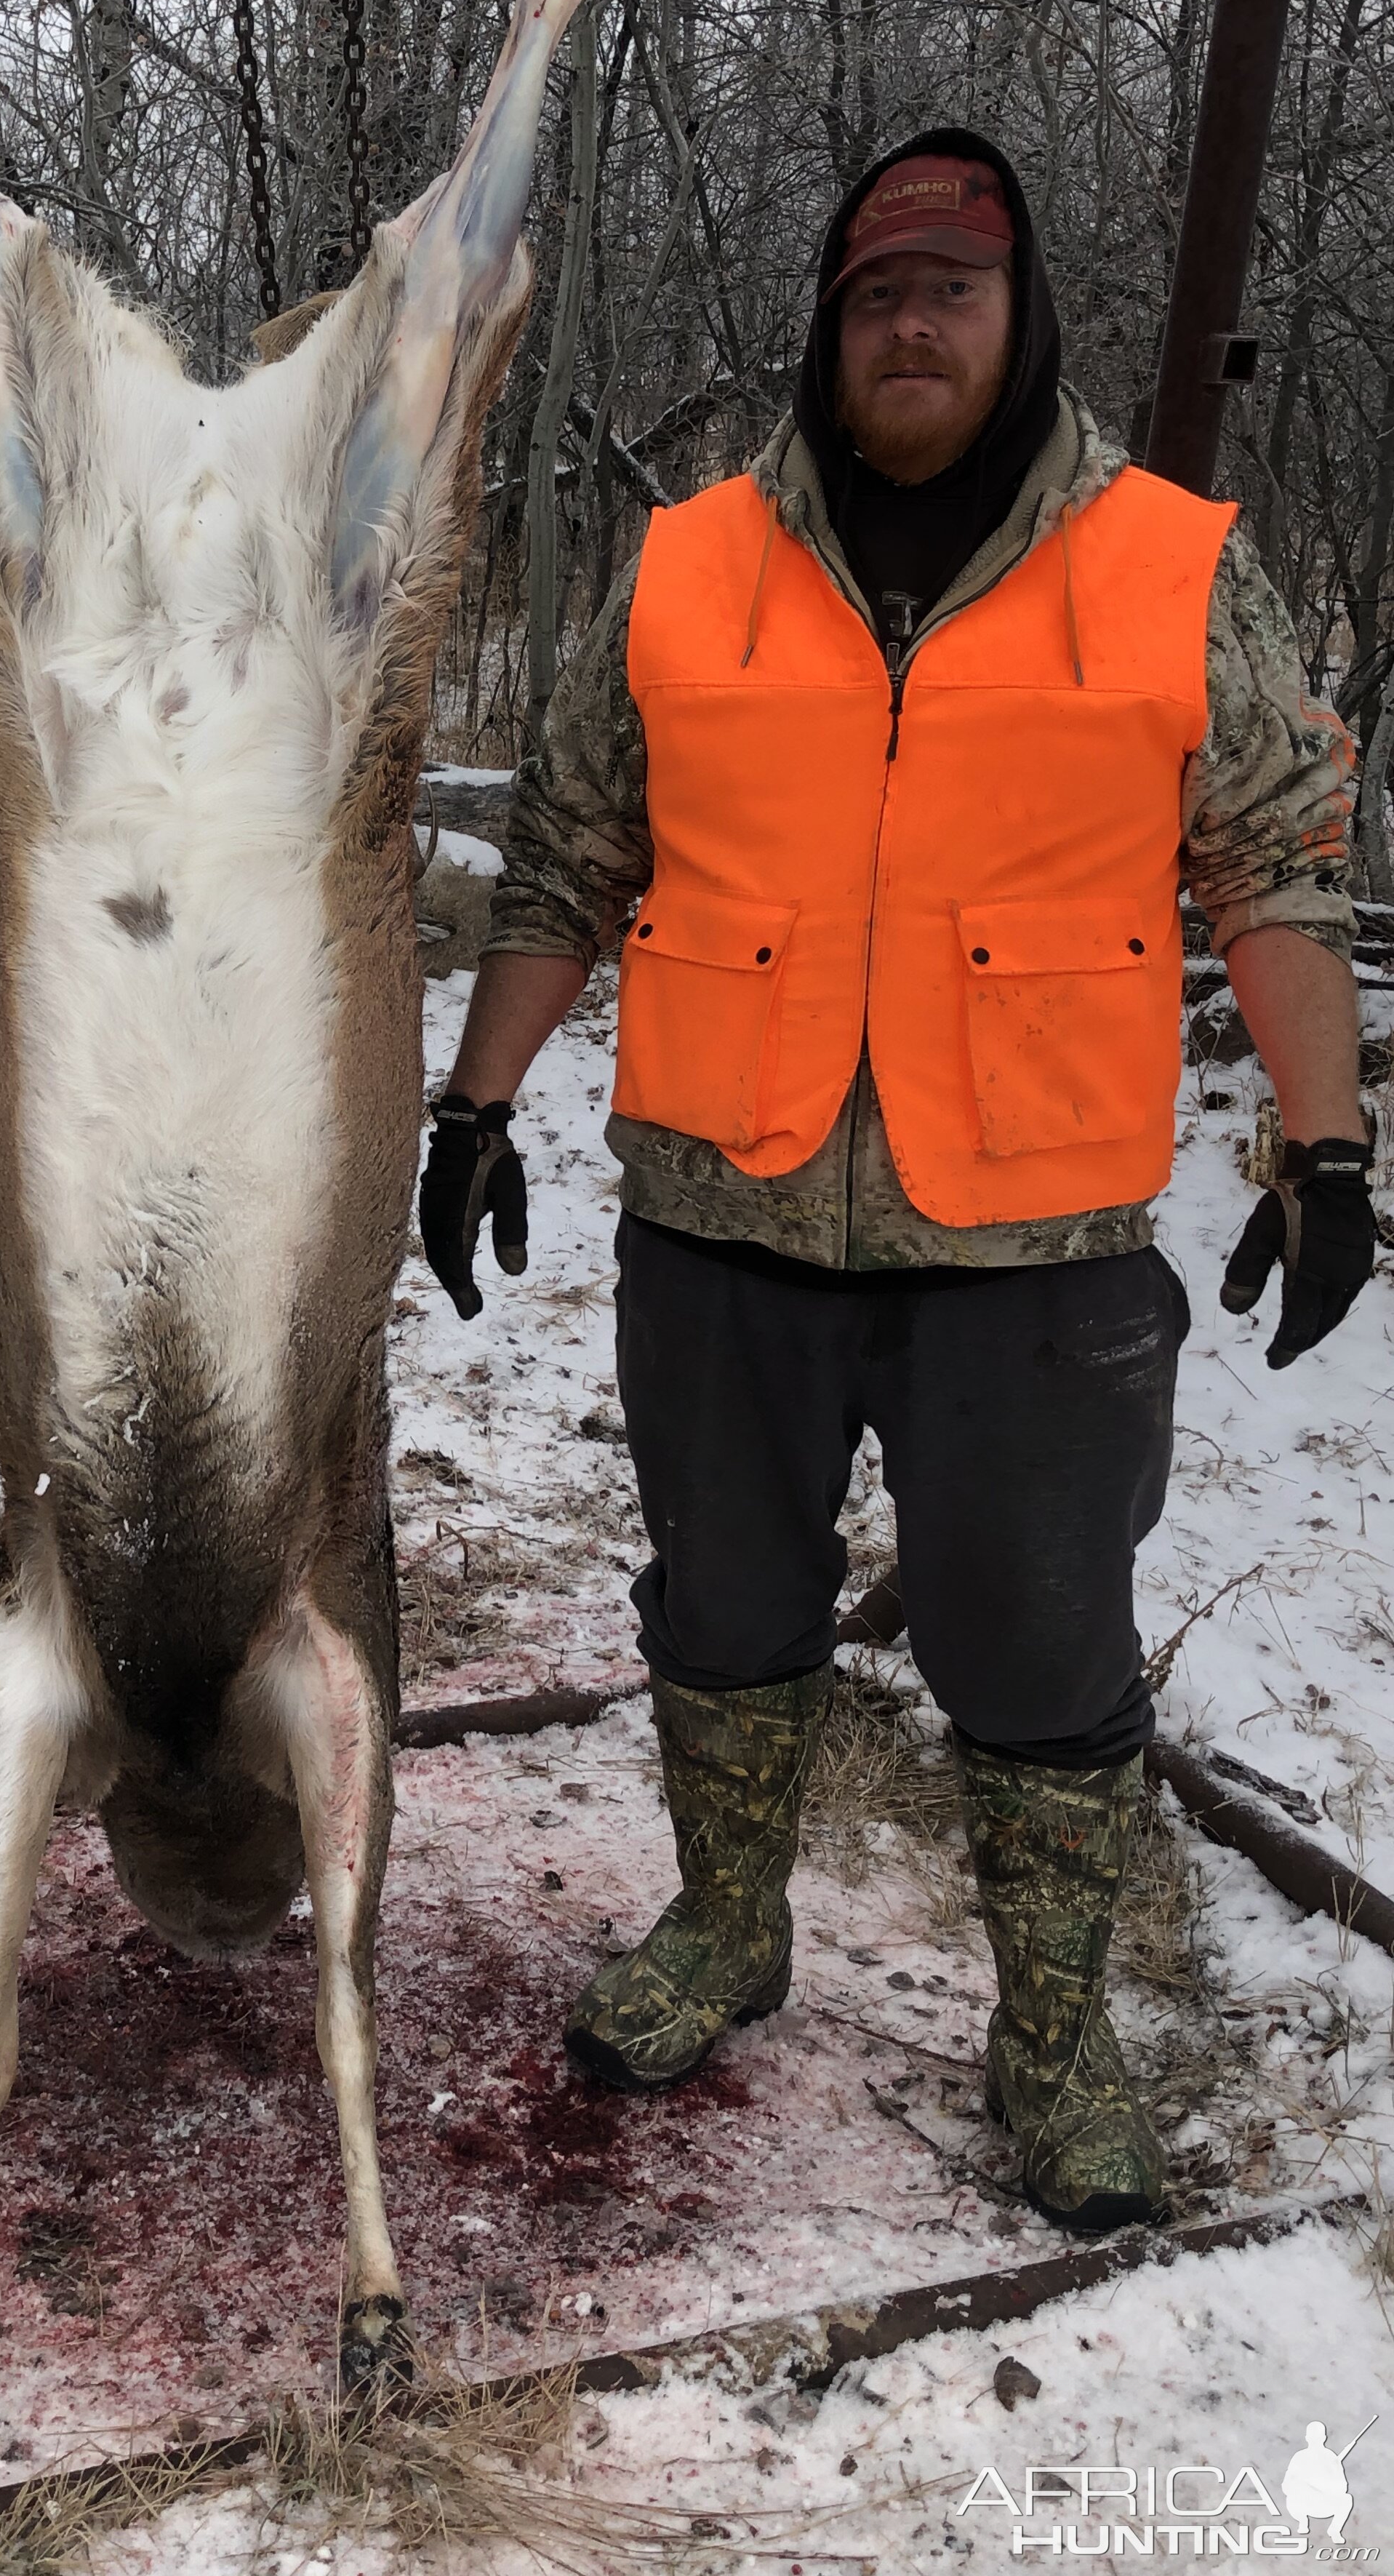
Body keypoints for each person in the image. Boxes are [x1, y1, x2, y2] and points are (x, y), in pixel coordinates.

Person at [420, 131, 1374, 2234]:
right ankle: (728, 1927)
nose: (912, 324)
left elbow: (1282, 863)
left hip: (1032, 1250)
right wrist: (474, 1103)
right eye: (875, 296)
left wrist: (1325, 1141)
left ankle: (1055, 2039)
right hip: (720, 1222)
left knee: (1041, 1661)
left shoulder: (1170, 563)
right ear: (826, 331)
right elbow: (575, 848)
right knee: (726, 1614)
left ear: (1019, 319)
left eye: (951, 288)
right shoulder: (691, 565)